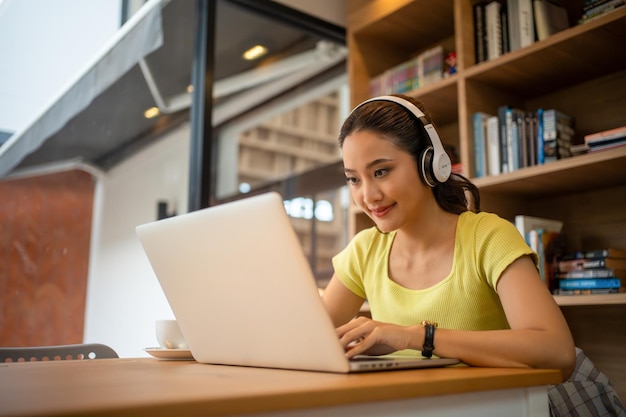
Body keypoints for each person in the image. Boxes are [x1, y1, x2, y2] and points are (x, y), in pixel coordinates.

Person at [323, 94, 626, 416]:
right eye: (354, 179)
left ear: (430, 163)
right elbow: (309, 339)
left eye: (381, 172)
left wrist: (414, 337)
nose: (367, 196)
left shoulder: (487, 236)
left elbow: (557, 352)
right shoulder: (364, 249)